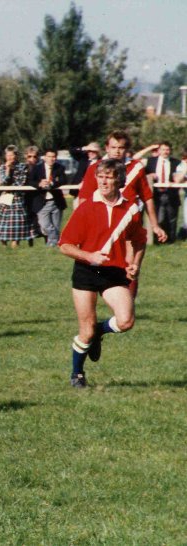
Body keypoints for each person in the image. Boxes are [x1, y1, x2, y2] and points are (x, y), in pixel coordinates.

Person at [59, 159, 146, 388]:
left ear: (119, 180)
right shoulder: (86, 207)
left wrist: (135, 263)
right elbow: (65, 245)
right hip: (86, 272)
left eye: (109, 177)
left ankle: (99, 331)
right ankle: (77, 374)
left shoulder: (130, 208)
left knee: (126, 321)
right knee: (85, 332)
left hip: (114, 273)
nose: (103, 182)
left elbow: (139, 240)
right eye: (100, 177)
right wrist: (89, 255)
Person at [76, 130, 167, 296]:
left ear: (127, 149)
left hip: (129, 224)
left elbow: (147, 197)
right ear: (106, 148)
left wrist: (155, 225)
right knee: (98, 266)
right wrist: (83, 226)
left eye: (121, 147)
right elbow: (84, 198)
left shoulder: (136, 168)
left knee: (131, 266)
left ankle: (128, 304)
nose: (117, 151)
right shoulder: (95, 168)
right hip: (102, 225)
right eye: (113, 147)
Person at [0, 145, 35, 248]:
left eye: (11, 155)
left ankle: (15, 245)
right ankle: (4, 247)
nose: (9, 157)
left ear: (16, 156)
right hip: (5, 199)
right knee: (4, 223)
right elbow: (4, 182)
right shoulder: (3, 167)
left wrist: (8, 187)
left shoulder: (22, 167)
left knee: (17, 225)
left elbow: (20, 183)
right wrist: (7, 170)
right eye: (7, 155)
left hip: (17, 199)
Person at [29, 148, 67, 247]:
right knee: (45, 225)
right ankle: (56, 240)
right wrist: (39, 184)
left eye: (53, 157)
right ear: (44, 157)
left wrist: (53, 183)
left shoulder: (60, 168)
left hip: (56, 201)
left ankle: (52, 247)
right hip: (41, 202)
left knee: (56, 226)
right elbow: (30, 181)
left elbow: (63, 180)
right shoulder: (37, 168)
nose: (51, 159)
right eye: (49, 156)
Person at [144, 141, 180, 243]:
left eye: (167, 149)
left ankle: (171, 240)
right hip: (156, 194)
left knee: (172, 218)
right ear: (159, 150)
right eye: (163, 149)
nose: (165, 152)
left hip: (171, 194)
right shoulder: (150, 161)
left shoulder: (176, 162)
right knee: (159, 218)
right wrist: (149, 175)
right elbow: (135, 159)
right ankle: (158, 239)